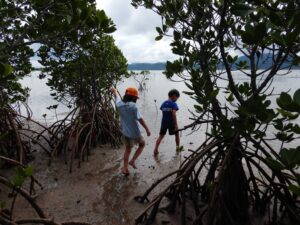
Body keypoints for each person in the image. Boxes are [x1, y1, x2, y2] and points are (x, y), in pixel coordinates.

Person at [111, 87, 151, 176]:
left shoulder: (119, 104)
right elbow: (140, 119)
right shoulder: (133, 106)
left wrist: (114, 91)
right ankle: (132, 161)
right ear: (133, 98)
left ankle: (125, 168)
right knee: (142, 144)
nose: (136, 100)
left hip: (125, 132)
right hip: (135, 133)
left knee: (127, 150)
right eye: (136, 98)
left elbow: (117, 97)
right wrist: (147, 130)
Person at [154, 89, 180, 155]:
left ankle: (156, 149)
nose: (177, 99)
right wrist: (176, 124)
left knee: (161, 136)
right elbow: (173, 114)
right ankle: (177, 148)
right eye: (177, 97)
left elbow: (163, 111)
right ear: (174, 96)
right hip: (171, 123)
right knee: (177, 134)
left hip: (164, 122)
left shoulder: (164, 103)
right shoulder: (174, 104)